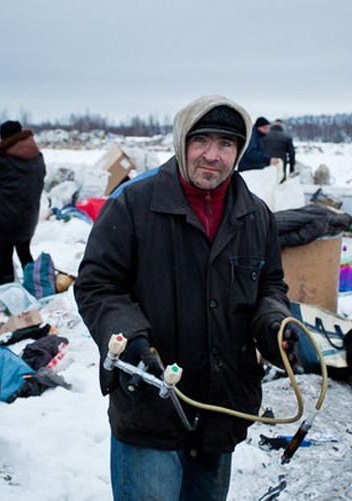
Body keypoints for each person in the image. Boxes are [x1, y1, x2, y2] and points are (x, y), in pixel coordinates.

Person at [74, 95, 297, 500]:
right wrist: (132, 340)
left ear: (239, 151)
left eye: (226, 144)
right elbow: (97, 284)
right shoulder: (133, 204)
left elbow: (269, 285)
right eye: (202, 141)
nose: (212, 155)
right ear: (181, 143)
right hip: (148, 403)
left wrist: (272, 323)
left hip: (220, 407)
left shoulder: (255, 214)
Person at [0, 120, 46, 284]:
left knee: (5, 256)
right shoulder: (36, 156)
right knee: (24, 251)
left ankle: (8, 292)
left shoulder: (2, 159)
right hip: (28, 215)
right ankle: (35, 287)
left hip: (5, 217)